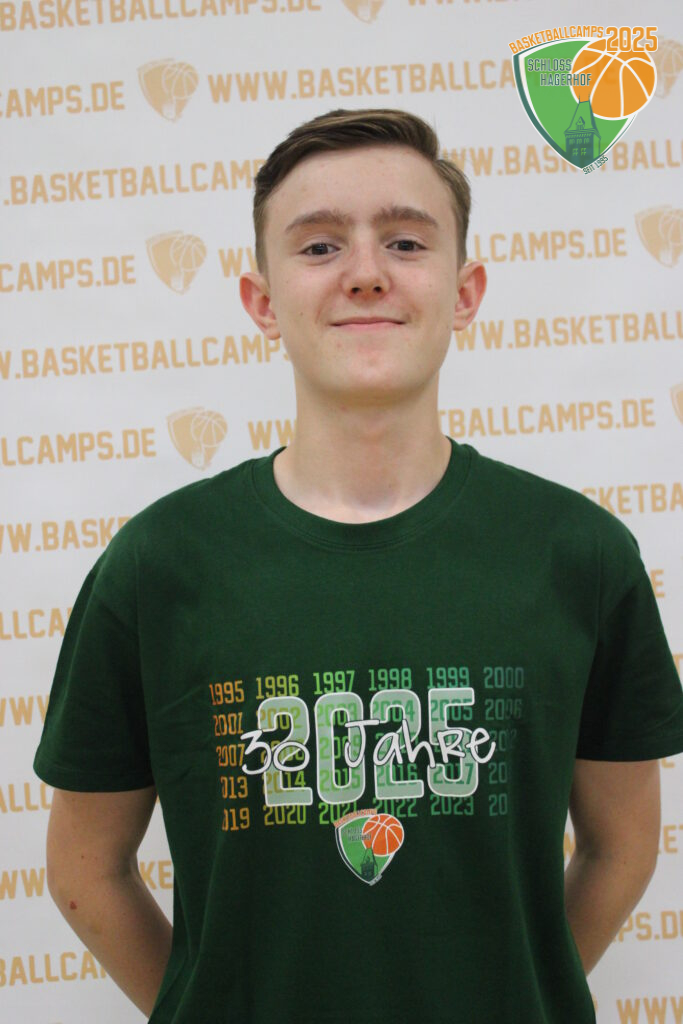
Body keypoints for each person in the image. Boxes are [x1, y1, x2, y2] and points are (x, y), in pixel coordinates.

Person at [34, 107, 683, 1024]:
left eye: (406, 241)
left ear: (465, 291)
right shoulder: (159, 564)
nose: (366, 272)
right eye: (319, 246)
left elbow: (622, 849)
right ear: (262, 302)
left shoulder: (578, 554)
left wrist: (515, 994)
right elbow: (84, 870)